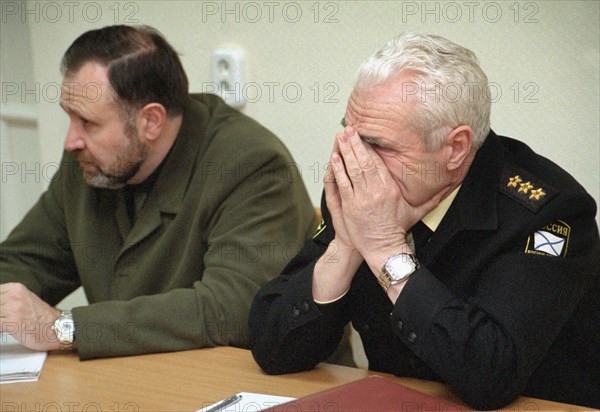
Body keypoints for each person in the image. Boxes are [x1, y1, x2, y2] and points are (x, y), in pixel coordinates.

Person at [249, 32, 600, 410]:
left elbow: (490, 373)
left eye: (378, 145)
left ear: (455, 148)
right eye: (350, 133)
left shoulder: (548, 214)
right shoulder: (364, 187)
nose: (354, 159)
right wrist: (346, 247)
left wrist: (385, 249)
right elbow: (273, 348)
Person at [0, 25, 317, 360]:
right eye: (70, 118)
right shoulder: (91, 160)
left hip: (258, 388)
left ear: (150, 121)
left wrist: (66, 328)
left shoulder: (250, 164)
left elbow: (233, 309)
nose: (70, 141)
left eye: (88, 122)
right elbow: (25, 261)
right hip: (137, 380)